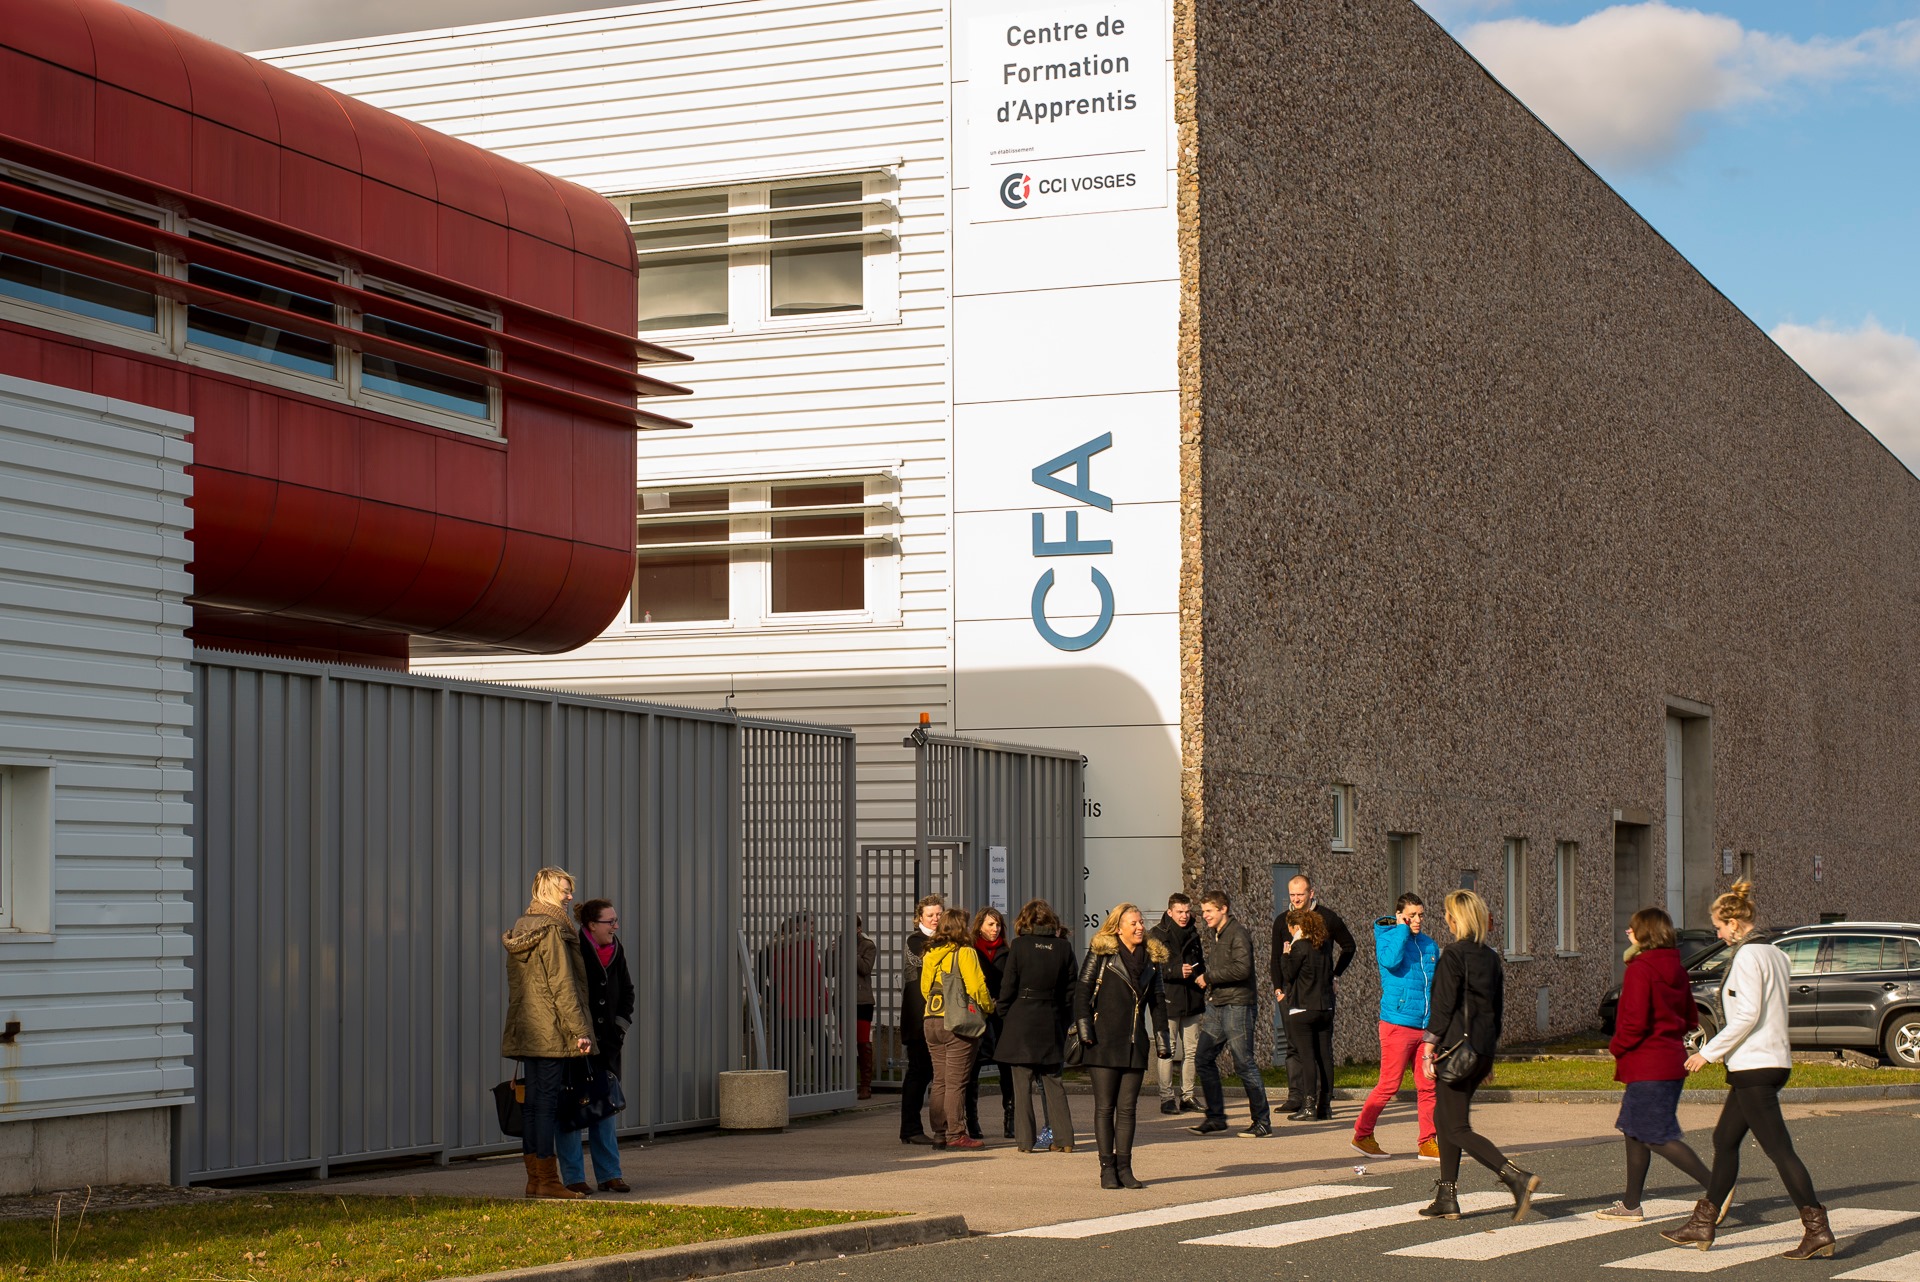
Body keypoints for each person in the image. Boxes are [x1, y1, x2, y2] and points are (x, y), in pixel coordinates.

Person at [1661, 881, 1831, 1259]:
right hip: (1768, 1060)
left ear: (1734, 923)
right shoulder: (1775, 953)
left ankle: (1817, 1228)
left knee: (1780, 1150)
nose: (1718, 934)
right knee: (1724, 1139)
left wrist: (1709, 1052)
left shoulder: (1749, 956)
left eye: (1719, 927)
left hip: (1755, 1063)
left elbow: (1748, 1014)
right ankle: (1703, 1222)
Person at [1418, 888, 1539, 1223]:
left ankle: (1516, 1177)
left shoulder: (1453, 955)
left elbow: (1443, 1006)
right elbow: (1496, 1010)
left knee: (1455, 1126)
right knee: (1444, 1119)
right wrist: (1488, 1056)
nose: (1445, 919)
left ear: (1456, 918)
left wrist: (1428, 1047)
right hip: (1481, 1049)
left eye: (1447, 914)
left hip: (1456, 1049)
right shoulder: (1490, 957)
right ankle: (1446, 1197)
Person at [1597, 906, 1711, 1221]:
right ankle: (1630, 1204)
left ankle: (1717, 1188)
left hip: (1648, 1065)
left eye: (1632, 927)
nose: (1628, 932)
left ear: (1645, 933)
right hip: (1671, 1061)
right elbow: (1690, 1018)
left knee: (1655, 1135)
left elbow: (1633, 1023)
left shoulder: (1640, 969)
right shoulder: (1677, 969)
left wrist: (1616, 1046)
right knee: (1634, 1130)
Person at [500, 866, 595, 1200]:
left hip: (529, 1026)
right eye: (564, 890)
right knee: (546, 1105)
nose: (570, 896)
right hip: (552, 1029)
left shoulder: (522, 926)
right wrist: (580, 1030)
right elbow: (562, 983)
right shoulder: (553, 928)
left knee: (532, 1105)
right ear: (548, 891)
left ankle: (535, 1180)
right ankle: (549, 1180)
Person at [1076, 902, 1171, 1189]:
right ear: (1118, 928)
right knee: (1105, 1108)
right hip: (1102, 1042)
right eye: (1134, 923)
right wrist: (1085, 1030)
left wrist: (1163, 1040)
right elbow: (1081, 993)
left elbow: (1158, 1002)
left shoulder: (1152, 959)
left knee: (1128, 1108)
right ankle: (1107, 1168)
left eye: (1141, 922)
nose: (1141, 927)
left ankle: (1125, 1167)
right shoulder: (1101, 953)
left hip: (1134, 1044)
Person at [1353, 892, 1439, 1160]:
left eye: (1420, 915)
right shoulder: (1389, 938)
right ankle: (1362, 1135)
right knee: (1389, 1085)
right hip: (1397, 1024)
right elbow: (1390, 961)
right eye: (1412, 915)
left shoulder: (1429, 945)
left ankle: (1428, 1141)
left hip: (1426, 1027)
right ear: (1400, 915)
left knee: (1428, 1085)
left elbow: (1436, 985)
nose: (1417, 920)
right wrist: (1402, 929)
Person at [557, 897, 634, 1194]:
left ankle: (610, 1174)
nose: (616, 926)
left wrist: (619, 1029)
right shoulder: (574, 948)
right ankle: (573, 1177)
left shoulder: (616, 949)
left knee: (605, 1107)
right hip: (577, 1043)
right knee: (570, 1111)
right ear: (591, 925)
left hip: (608, 1045)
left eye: (616, 920)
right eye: (609, 921)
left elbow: (627, 991)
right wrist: (577, 1033)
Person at [1188, 889, 1272, 1139]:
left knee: (1244, 1062)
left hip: (1238, 1005)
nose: (1204, 915)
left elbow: (1242, 969)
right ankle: (1216, 1118)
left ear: (1223, 909)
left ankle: (1262, 1122)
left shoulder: (1238, 933)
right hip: (1218, 1005)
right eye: (1203, 911)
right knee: (1203, 1058)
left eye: (1209, 911)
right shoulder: (1218, 934)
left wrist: (1209, 977)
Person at [997, 898, 1077, 1153]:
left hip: (1021, 1017)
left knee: (1022, 1085)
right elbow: (1071, 989)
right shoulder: (1063, 947)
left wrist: (1004, 1012)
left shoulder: (1019, 945)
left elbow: (1008, 985)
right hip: (1051, 1017)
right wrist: (1063, 1019)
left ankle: (1025, 1141)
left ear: (1025, 920)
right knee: (1054, 1082)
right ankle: (1064, 1140)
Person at [1274, 874, 1355, 1115]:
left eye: (1300, 894)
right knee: (1295, 1048)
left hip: (1311, 997)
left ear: (1311, 893)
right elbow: (1274, 958)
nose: (1296, 899)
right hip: (1297, 995)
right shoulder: (1282, 920)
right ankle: (1298, 1097)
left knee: (1315, 1052)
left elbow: (1349, 946)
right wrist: (1278, 989)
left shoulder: (1327, 919)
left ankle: (1315, 1101)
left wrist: (1336, 975)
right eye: (1292, 894)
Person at [921, 906, 996, 1150]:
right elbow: (976, 987)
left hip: (931, 1018)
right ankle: (956, 1133)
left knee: (940, 1080)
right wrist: (988, 1007)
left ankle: (939, 1133)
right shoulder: (965, 952)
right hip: (956, 1022)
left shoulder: (930, 953)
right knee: (956, 1082)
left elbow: (925, 989)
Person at [1277, 906, 1334, 1122]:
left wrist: (1285, 955)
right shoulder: (1324, 945)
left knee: (1307, 1057)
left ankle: (1309, 1105)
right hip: (1325, 1007)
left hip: (1303, 1008)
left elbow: (1289, 975)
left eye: (1291, 928)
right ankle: (1325, 1105)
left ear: (1297, 927)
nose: (1290, 932)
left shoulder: (1299, 946)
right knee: (1325, 1057)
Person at [1150, 892, 1205, 1113]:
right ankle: (1166, 1098)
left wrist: (1202, 977)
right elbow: (1152, 968)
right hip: (1169, 999)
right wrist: (1174, 970)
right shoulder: (1156, 934)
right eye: (1180, 912)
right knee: (1167, 1050)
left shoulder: (1193, 932)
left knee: (1191, 1050)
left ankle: (1188, 1096)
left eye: (1187, 911)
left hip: (1192, 998)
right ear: (1169, 912)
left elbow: (1200, 962)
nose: (1184, 916)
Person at [964, 906, 1015, 1140]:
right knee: (972, 1070)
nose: (994, 929)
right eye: (990, 925)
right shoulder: (971, 950)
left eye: (998, 925)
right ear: (980, 926)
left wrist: (1001, 1002)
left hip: (1001, 1016)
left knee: (1007, 1070)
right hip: (977, 1016)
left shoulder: (1007, 951)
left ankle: (1010, 1119)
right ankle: (972, 1121)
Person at [899, 894, 944, 1145]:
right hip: (918, 1017)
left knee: (930, 1073)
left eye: (939, 914)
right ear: (919, 918)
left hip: (935, 1015)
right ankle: (910, 1128)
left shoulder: (942, 940)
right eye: (930, 915)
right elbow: (931, 960)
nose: (935, 919)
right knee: (919, 1072)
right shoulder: (916, 940)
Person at [855, 917, 877, 1100]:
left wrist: (853, 953)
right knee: (847, 1042)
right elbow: (829, 972)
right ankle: (848, 1083)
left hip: (862, 1000)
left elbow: (865, 969)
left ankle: (865, 1084)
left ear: (859, 928)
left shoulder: (868, 946)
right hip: (843, 999)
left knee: (862, 1042)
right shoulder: (837, 943)